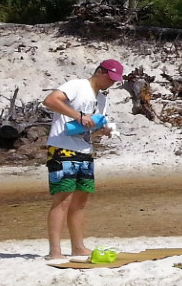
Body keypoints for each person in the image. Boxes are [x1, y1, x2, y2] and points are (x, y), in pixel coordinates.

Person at [42, 60, 123, 261]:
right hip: (62, 149)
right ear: (99, 72)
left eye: (114, 81)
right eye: (109, 78)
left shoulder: (102, 100)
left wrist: (102, 131)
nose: (110, 83)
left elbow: (90, 128)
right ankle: (55, 251)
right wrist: (78, 116)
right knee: (63, 199)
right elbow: (51, 100)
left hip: (84, 150)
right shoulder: (77, 85)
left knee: (80, 200)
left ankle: (78, 247)